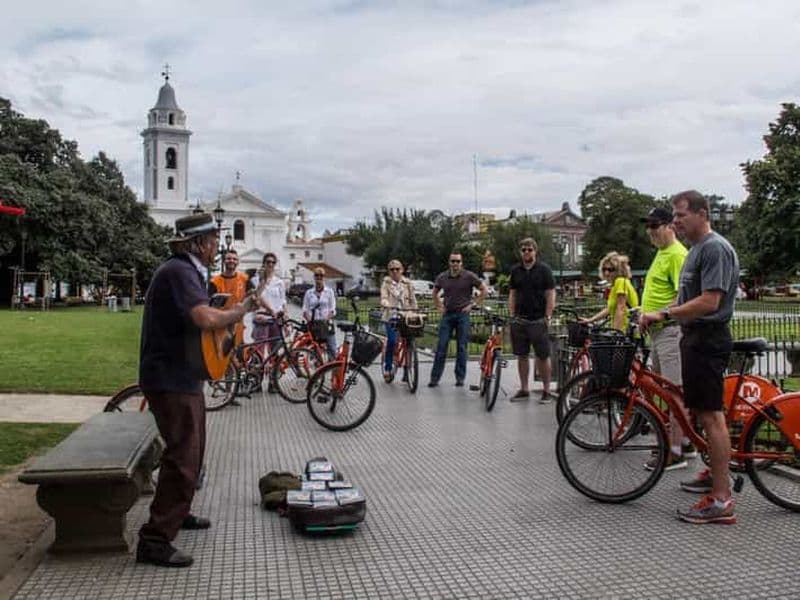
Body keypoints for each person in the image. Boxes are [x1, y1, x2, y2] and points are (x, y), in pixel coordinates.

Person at [137, 213, 253, 567]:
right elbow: (204, 318)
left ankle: (177, 512)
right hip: (171, 380)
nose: (218, 246)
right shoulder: (179, 271)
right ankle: (155, 540)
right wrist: (241, 311)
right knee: (183, 457)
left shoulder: (186, 271)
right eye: (213, 240)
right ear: (198, 243)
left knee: (193, 451)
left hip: (182, 378)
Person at [640, 190, 740, 525]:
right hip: (694, 338)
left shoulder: (714, 248)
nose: (675, 221)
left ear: (701, 213)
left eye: (681, 215)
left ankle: (722, 499)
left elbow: (711, 301)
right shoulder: (697, 250)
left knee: (712, 417)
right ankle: (714, 475)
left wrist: (664, 314)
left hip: (709, 339)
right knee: (700, 410)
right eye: (674, 215)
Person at [638, 207, 693, 471]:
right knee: (665, 389)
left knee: (674, 392)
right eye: (648, 227)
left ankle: (675, 451)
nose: (650, 232)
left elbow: (682, 296)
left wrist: (658, 314)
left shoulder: (677, 255)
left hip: (671, 331)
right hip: (659, 331)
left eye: (655, 226)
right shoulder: (662, 253)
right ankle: (684, 441)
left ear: (669, 226)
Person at [428, 251, 488, 388]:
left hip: (462, 315)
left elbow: (484, 290)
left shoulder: (469, 276)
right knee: (441, 346)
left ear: (461, 263)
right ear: (449, 262)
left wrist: (472, 305)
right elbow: (435, 292)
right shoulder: (442, 277)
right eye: (453, 261)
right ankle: (434, 378)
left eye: (458, 261)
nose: (455, 264)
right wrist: (439, 306)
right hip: (447, 315)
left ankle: (460, 378)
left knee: (462, 347)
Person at [507, 238, 556, 403]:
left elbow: (550, 293)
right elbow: (512, 293)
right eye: (524, 250)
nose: (526, 252)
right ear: (520, 252)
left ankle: (547, 390)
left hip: (538, 319)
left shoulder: (544, 270)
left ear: (535, 251)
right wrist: (512, 314)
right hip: (520, 319)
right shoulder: (515, 270)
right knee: (522, 355)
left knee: (542, 356)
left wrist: (548, 315)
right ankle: (524, 388)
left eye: (529, 249)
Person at [380, 259, 418, 382]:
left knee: (410, 342)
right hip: (391, 316)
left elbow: (413, 300)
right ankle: (388, 367)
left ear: (402, 270)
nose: (395, 271)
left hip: (406, 316)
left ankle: (408, 369)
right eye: (392, 269)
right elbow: (383, 298)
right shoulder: (386, 283)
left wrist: (415, 310)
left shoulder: (408, 283)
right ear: (389, 271)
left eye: (397, 269)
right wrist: (387, 304)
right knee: (392, 341)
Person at [582, 252, 639, 332]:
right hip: (626, 331)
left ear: (619, 270)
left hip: (626, 331)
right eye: (604, 269)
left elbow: (621, 308)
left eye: (611, 270)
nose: (606, 273)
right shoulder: (615, 285)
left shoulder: (621, 281)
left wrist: (616, 332)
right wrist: (590, 320)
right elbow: (609, 309)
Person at [209, 249, 252, 348]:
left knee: (239, 355)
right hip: (221, 326)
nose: (231, 261)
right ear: (224, 261)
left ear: (238, 262)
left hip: (238, 325)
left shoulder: (244, 279)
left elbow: (253, 297)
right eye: (228, 258)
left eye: (234, 259)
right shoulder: (215, 281)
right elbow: (209, 305)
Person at [302, 267, 337, 359]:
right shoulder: (309, 293)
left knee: (332, 348)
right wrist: (310, 320)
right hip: (314, 323)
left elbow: (332, 309)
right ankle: (316, 369)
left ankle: (333, 367)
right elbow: (305, 310)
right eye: (317, 275)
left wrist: (327, 319)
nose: (319, 277)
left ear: (324, 277)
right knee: (314, 350)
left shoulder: (329, 292)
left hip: (326, 323)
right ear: (314, 277)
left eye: (321, 275)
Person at [253, 252, 286, 345]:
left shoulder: (279, 282)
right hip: (262, 318)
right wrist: (271, 310)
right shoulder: (255, 280)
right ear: (263, 263)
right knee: (259, 349)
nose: (270, 264)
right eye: (268, 262)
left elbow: (283, 301)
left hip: (276, 319)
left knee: (275, 350)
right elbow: (258, 297)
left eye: (273, 262)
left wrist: (286, 316)